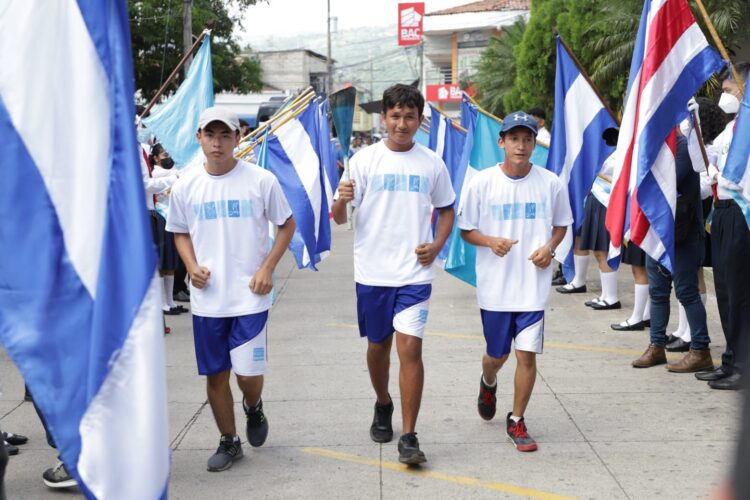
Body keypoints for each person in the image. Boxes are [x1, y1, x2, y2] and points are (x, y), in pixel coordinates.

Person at [166, 107, 296, 471]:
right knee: (216, 374)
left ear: (238, 138)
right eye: (210, 135)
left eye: (225, 135)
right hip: (208, 299)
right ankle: (229, 440)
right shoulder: (186, 186)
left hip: (250, 296)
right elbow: (179, 232)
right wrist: (191, 266)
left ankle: (253, 406)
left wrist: (267, 267)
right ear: (199, 138)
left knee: (247, 376)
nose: (217, 143)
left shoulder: (260, 180)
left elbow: (286, 224)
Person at [332, 84, 455, 465]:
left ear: (420, 120)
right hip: (373, 272)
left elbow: (447, 210)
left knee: (411, 349)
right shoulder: (363, 160)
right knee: (378, 347)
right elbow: (338, 217)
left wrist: (436, 245)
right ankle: (383, 402)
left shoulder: (432, 162)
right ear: (383, 118)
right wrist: (341, 200)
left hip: (415, 274)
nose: (402, 124)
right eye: (396, 116)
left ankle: (409, 435)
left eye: (410, 117)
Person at [458, 111, 572, 452]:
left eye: (527, 139)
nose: (521, 146)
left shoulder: (550, 183)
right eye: (514, 139)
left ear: (534, 143)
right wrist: (490, 241)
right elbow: (466, 230)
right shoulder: (482, 183)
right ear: (501, 142)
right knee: (497, 356)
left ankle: (517, 420)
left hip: (532, 287)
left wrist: (549, 249)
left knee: (527, 356)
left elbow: (562, 225)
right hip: (495, 288)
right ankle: (488, 380)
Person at [631, 132, 713, 372]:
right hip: (658, 230)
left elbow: (665, 182)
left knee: (687, 292)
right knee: (657, 292)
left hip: (683, 234)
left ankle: (700, 350)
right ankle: (656, 346)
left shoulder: (683, 146)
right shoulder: (651, 146)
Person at [694, 63, 750, 391]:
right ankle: (730, 360)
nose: (724, 96)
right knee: (726, 291)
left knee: (741, 293)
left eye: (728, 90)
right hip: (723, 212)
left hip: (743, 212)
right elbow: (707, 165)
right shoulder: (730, 129)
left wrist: (724, 178)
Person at [149, 143, 184, 316]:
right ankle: (163, 302)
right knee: (163, 262)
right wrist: (177, 175)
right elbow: (174, 174)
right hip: (160, 216)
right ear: (155, 158)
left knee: (170, 263)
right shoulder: (157, 173)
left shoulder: (170, 172)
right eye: (164, 155)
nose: (168, 157)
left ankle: (170, 301)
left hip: (171, 217)